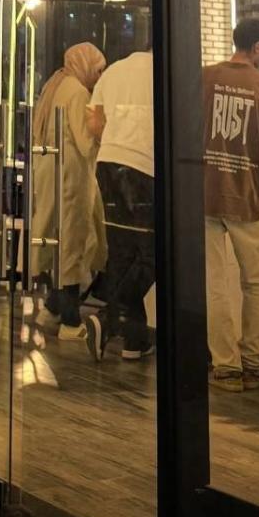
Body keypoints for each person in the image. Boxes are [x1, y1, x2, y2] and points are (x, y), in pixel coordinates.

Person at [202, 17, 259, 393]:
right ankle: (252, 364)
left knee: (213, 283)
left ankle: (225, 367)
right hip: (247, 195)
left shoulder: (204, 78)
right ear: (257, 47)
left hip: (206, 191)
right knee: (256, 282)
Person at [84, 47, 154, 361]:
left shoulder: (113, 71)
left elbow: (94, 122)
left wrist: (117, 137)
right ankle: (110, 318)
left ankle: (134, 341)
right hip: (144, 169)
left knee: (123, 253)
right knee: (154, 252)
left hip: (108, 163)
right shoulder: (164, 72)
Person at [32, 42, 107, 338]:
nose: (99, 77)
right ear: (85, 65)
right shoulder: (78, 92)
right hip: (71, 177)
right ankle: (70, 321)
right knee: (73, 245)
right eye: (98, 70)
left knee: (58, 244)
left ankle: (52, 308)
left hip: (51, 174)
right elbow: (85, 142)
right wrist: (102, 126)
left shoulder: (55, 84)